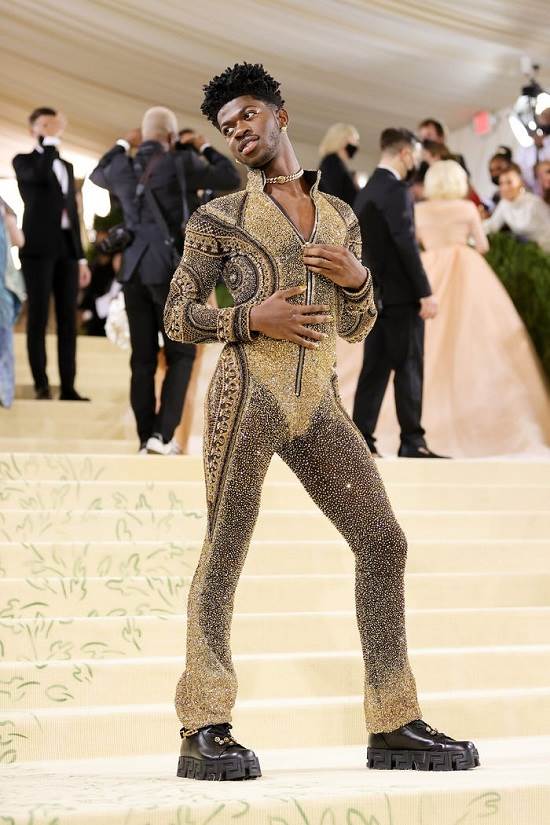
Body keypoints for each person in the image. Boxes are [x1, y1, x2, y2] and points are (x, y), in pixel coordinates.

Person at [164, 62, 479, 781]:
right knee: (224, 549)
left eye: (248, 115)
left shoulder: (340, 215)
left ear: (280, 114)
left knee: (383, 542)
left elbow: (359, 324)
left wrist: (357, 280)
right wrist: (251, 316)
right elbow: (178, 315)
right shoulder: (218, 218)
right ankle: (203, 725)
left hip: (318, 404)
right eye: (227, 126)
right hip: (247, 394)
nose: (239, 131)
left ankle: (392, 720)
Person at [90, 106, 240, 454]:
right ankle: (162, 435)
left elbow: (97, 174)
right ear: (171, 137)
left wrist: (121, 144)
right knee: (182, 353)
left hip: (133, 271)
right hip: (170, 271)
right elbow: (229, 177)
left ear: (142, 136)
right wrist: (201, 146)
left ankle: (145, 438)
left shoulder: (121, 165)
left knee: (142, 358)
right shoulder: (181, 162)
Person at [413, 160, 550, 454]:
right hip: (467, 269)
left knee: (425, 341)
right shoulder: (466, 208)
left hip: (429, 271)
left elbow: (414, 244)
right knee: (479, 338)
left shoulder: (419, 210)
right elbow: (484, 244)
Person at [352, 128, 442, 459]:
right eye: (414, 156)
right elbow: (405, 242)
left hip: (375, 295)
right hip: (401, 296)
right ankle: (412, 441)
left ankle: (362, 439)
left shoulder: (367, 191)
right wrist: (424, 292)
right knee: (409, 367)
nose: (415, 162)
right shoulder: (396, 189)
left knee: (374, 369)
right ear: (405, 153)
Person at [12, 107, 91, 401]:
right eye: (44, 125)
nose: (50, 129)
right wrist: (47, 146)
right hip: (37, 249)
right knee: (38, 317)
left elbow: (73, 214)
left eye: (53, 125)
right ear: (32, 129)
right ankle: (41, 384)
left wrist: (81, 258)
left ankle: (68, 387)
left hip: (67, 248)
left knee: (68, 318)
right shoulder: (24, 161)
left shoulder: (67, 166)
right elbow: (40, 177)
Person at [483, 163, 550, 253]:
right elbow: (492, 226)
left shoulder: (535, 203)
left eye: (509, 182)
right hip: (526, 251)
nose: (504, 188)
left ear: (521, 183)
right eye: (501, 183)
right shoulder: (504, 204)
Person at [0, 199, 25, 408]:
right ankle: (4, 391)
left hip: (3, 285)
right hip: (4, 287)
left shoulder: (4, 212)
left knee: (5, 340)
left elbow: (19, 240)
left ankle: (4, 391)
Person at [318, 123, 360, 206]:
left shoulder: (336, 164)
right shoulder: (331, 164)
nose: (356, 144)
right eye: (354, 140)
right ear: (342, 141)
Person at [514, 107, 550, 195]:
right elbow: (519, 170)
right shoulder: (525, 148)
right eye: (544, 117)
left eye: (548, 117)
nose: (546, 121)